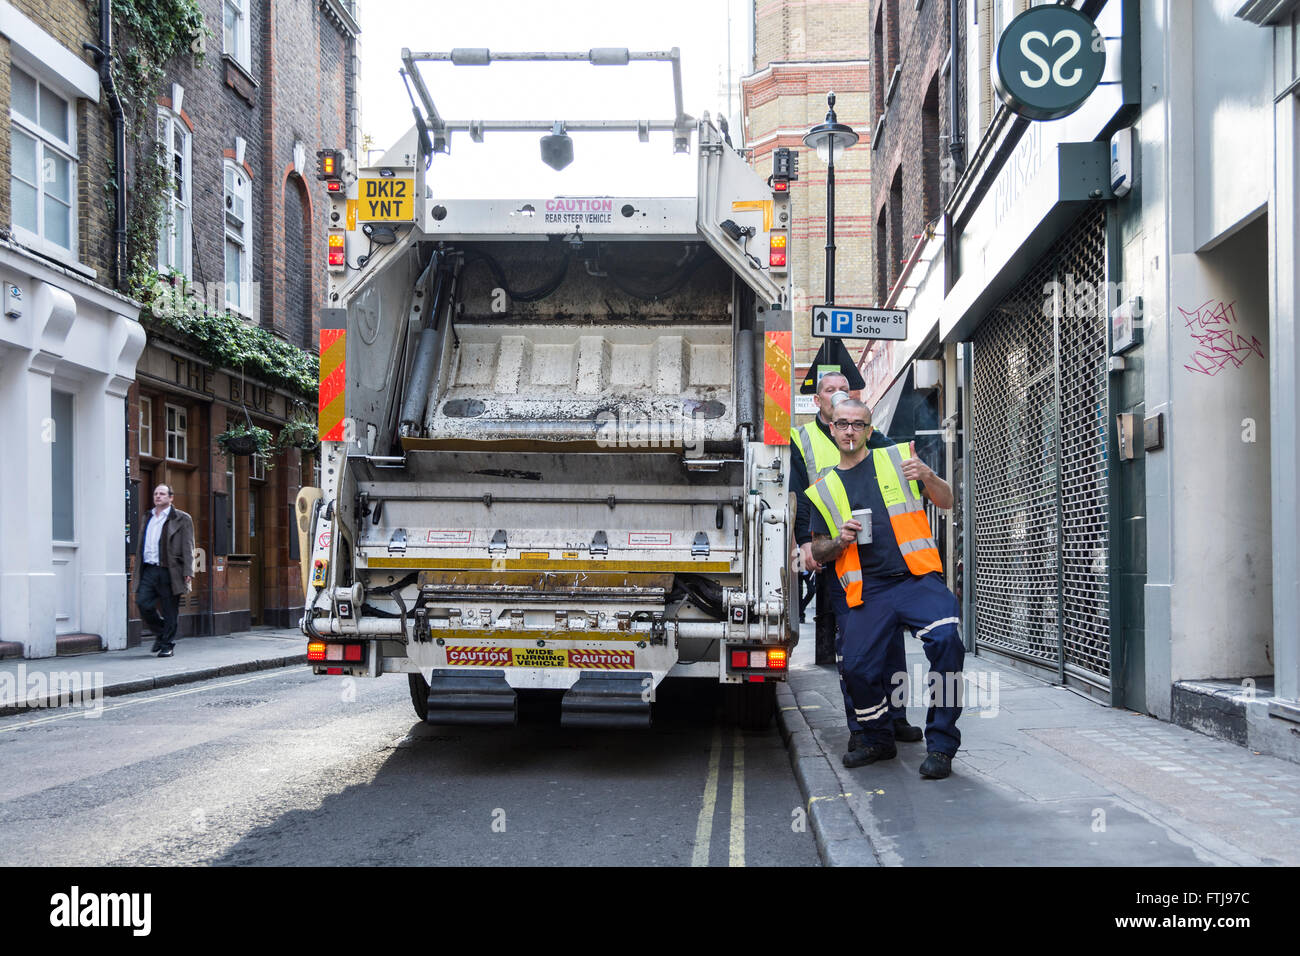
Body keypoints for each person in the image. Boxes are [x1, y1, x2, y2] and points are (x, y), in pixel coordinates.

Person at [808, 399, 964, 779]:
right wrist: (840, 541)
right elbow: (816, 549)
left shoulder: (898, 460)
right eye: (843, 424)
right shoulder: (824, 488)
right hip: (869, 590)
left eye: (858, 425)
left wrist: (928, 475)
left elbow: (947, 501)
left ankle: (941, 746)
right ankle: (877, 738)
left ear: (868, 429)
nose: (849, 431)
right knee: (857, 667)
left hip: (916, 579)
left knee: (947, 641)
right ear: (832, 429)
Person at [789, 373, 920, 748]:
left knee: (892, 646)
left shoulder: (867, 431)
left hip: (881, 557)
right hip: (838, 554)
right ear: (819, 402)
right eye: (829, 390)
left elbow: (897, 459)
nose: (839, 394)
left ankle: (896, 718)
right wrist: (806, 545)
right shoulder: (803, 439)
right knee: (854, 651)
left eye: (844, 390)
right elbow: (799, 497)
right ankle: (862, 728)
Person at [136, 483, 194, 657]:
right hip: (148, 569)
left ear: (171, 497)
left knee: (170, 609)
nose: (158, 496)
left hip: (170, 570)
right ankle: (162, 632)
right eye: (155, 494)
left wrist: (188, 571)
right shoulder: (148, 516)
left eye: (162, 494)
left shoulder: (182, 518)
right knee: (142, 602)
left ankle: (167, 644)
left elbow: (188, 545)